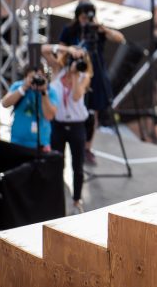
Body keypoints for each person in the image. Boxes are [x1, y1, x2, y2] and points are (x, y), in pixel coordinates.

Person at [59, 2, 125, 165]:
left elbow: (120, 38)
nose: (85, 21)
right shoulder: (69, 30)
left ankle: (87, 147)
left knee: (92, 113)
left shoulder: (97, 30)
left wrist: (104, 29)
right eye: (82, 17)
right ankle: (73, 145)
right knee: (76, 108)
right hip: (75, 74)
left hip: (94, 76)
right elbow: (60, 50)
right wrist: (71, 51)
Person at [42, 43, 91, 214]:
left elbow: (77, 96)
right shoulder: (58, 70)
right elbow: (43, 50)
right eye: (75, 58)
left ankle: (77, 200)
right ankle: (55, 197)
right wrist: (66, 49)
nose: (77, 62)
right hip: (58, 125)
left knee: (78, 166)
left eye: (80, 58)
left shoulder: (84, 75)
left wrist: (75, 74)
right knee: (57, 163)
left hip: (77, 126)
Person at [1, 65, 58, 150]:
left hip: (41, 143)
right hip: (18, 141)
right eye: (32, 77)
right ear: (25, 77)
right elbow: (5, 103)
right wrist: (23, 88)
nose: (35, 80)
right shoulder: (18, 86)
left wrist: (43, 92)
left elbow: (49, 116)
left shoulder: (51, 91)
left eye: (39, 77)